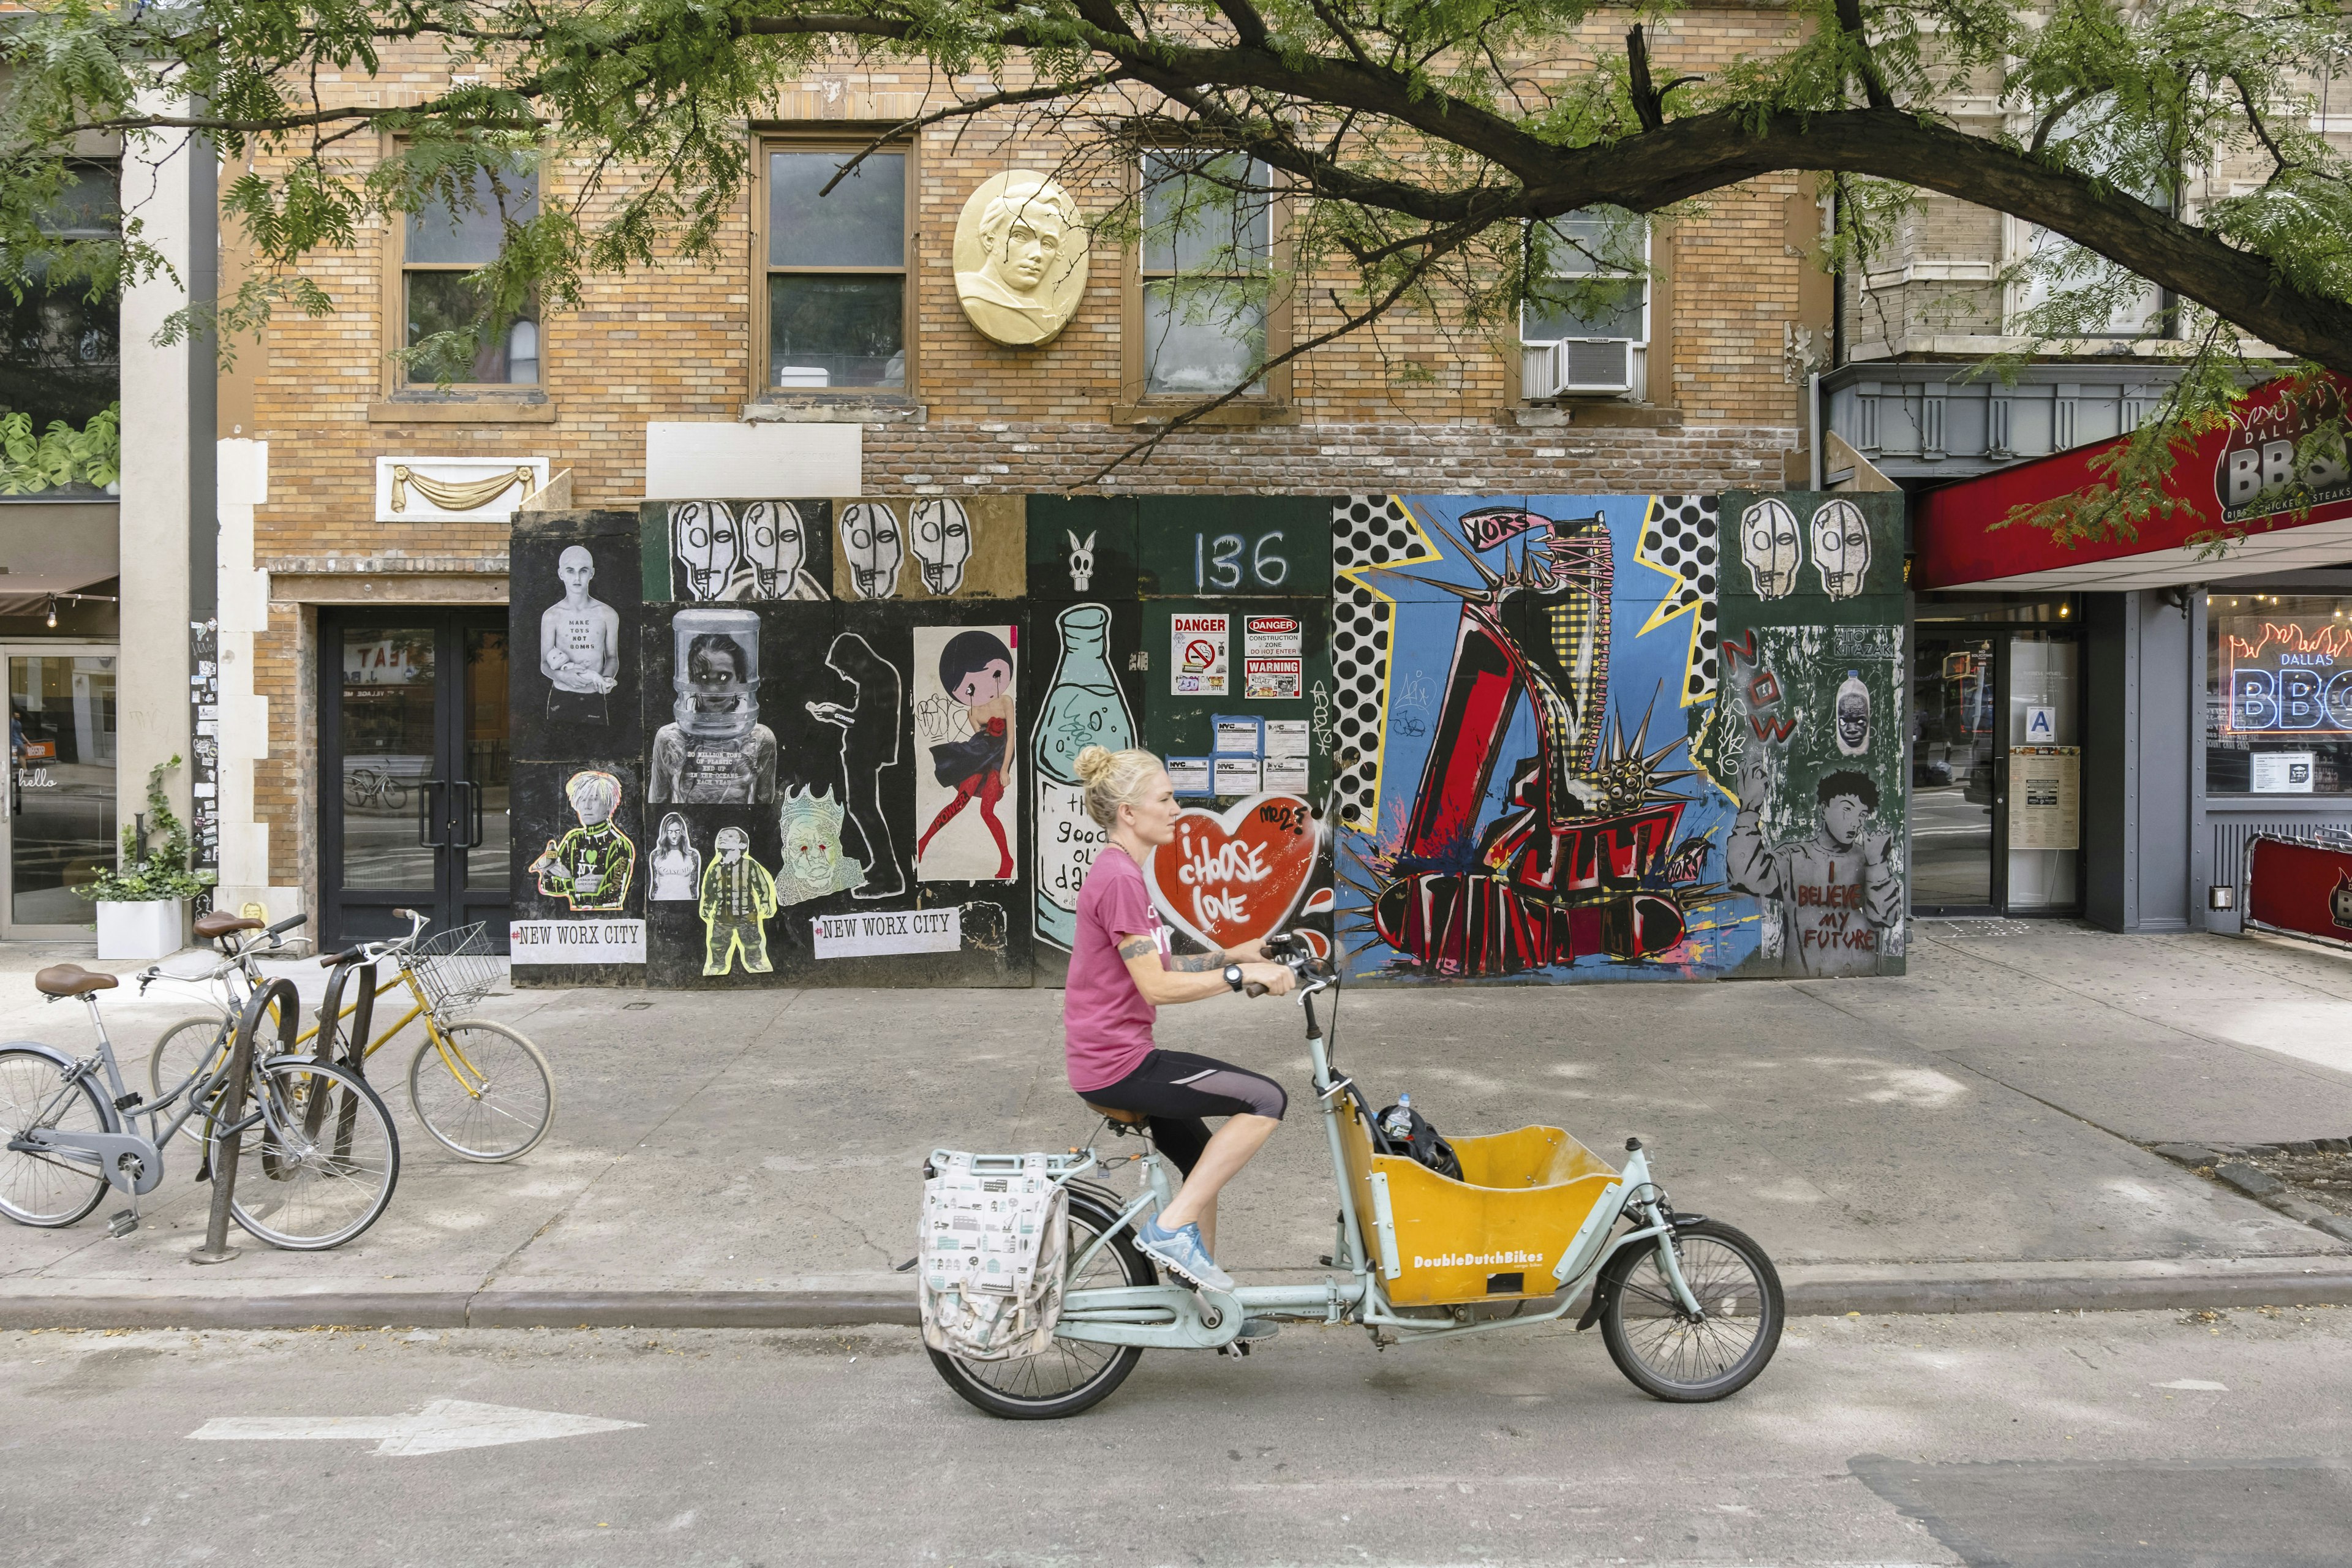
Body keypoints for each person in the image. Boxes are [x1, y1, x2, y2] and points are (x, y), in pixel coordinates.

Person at [1063, 745, 1295, 1298]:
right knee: (1266, 1100)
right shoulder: (1121, 879)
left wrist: (1233, 955)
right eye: (1165, 799)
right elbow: (1158, 987)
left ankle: (1202, 1302)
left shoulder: (1120, 872)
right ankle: (1169, 1232)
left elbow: (1160, 963)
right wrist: (1241, 981)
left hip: (1110, 1056)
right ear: (1129, 813)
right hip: (1116, 1064)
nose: (1176, 809)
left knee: (1201, 1165)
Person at [1727, 752, 1901, 976]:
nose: (1855, 822)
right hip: (1804, 975)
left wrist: (1877, 864)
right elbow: (1744, 876)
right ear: (1824, 809)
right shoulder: (1793, 857)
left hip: (1858, 982)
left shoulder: (1869, 859)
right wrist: (1749, 810)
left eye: (1862, 814)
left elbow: (1885, 917)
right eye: (1847, 809)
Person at [916, 629, 1017, 880]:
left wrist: (1005, 769)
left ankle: (1007, 858)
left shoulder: (1005, 701)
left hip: (996, 761)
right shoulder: (972, 712)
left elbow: (1011, 737)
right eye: (970, 687)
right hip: (978, 757)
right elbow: (979, 739)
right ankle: (924, 841)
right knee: (958, 803)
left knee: (987, 811)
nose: (982, 688)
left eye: (992, 675)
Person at [649, 625, 779, 804]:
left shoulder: (761, 738)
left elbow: (764, 807)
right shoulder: (670, 738)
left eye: (724, 677)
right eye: (703, 678)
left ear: (740, 678)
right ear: (691, 680)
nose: (714, 689)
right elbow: (657, 806)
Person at [540, 545, 620, 723]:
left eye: (583, 571)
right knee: (555, 749)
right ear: (561, 574)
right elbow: (545, 664)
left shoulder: (607, 614)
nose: (577, 578)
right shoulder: (551, 615)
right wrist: (562, 676)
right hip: (561, 697)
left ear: (592, 573)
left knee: (598, 747)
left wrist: (606, 679)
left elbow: (613, 657)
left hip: (593, 697)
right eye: (570, 571)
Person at [647, 812, 700, 901]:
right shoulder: (656, 855)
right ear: (665, 833)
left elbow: (694, 887)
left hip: (685, 902)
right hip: (662, 900)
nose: (674, 836)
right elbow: (654, 885)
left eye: (677, 832)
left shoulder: (692, 856)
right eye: (670, 832)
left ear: (682, 833)